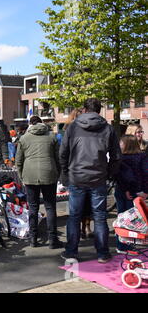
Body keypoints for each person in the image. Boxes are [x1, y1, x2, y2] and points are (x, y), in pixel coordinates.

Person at [59, 98, 121, 263]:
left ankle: (72, 252)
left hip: (77, 177)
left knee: (75, 216)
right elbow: (116, 156)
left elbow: (63, 153)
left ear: (85, 110)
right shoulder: (107, 129)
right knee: (100, 216)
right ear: (99, 111)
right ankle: (103, 253)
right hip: (98, 178)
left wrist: (65, 174)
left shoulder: (73, 127)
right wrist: (109, 174)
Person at [16, 116, 63, 249]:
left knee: (33, 207)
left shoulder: (24, 138)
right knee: (50, 207)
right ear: (42, 123)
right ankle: (53, 239)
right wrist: (56, 173)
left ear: (30, 124)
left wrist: (21, 177)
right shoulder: (51, 136)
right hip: (49, 173)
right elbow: (58, 158)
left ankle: (33, 239)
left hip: (30, 175)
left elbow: (18, 161)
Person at [63, 108, 94, 239]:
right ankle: (86, 228)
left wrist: (65, 172)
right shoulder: (87, 130)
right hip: (89, 171)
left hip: (74, 172)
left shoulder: (68, 130)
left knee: (76, 207)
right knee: (87, 203)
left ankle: (77, 235)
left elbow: (63, 153)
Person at [114, 135, 148, 254]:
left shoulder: (121, 158)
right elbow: (145, 174)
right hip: (136, 191)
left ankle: (120, 244)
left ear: (125, 145)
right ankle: (128, 244)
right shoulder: (142, 157)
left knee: (121, 218)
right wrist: (145, 191)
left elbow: (120, 176)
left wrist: (125, 189)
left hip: (122, 190)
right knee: (132, 220)